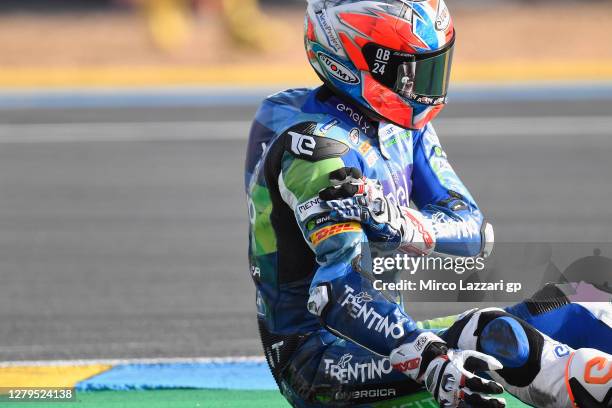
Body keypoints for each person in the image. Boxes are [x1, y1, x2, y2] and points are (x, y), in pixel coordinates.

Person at [244, 1, 611, 407]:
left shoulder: (402, 125)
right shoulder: (314, 147)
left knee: (580, 296)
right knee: (488, 331)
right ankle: (589, 389)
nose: (427, 86)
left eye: (435, 66)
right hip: (320, 363)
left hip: (389, 337)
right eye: (414, 69)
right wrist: (429, 358)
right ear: (355, 61)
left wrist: (403, 224)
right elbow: (336, 289)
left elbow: (472, 231)